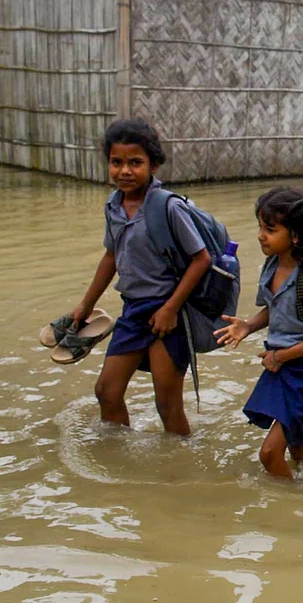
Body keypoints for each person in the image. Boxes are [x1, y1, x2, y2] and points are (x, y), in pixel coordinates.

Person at [72, 119, 209, 437]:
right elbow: (111, 258)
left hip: (169, 314)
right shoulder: (113, 206)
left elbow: (201, 259)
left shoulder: (168, 208)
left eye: (135, 163)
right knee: (106, 391)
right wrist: (84, 306)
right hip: (134, 311)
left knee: (167, 404)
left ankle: (180, 471)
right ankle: (118, 463)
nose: (124, 171)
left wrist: (170, 309)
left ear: (154, 165)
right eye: (116, 162)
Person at [216, 186, 303, 479]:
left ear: (295, 235)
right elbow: (277, 309)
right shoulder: (272, 266)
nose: (261, 235)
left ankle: (292, 506)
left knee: (269, 454)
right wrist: (247, 325)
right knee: (299, 446)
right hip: (283, 368)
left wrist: (280, 356)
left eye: (269, 229)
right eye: (260, 226)